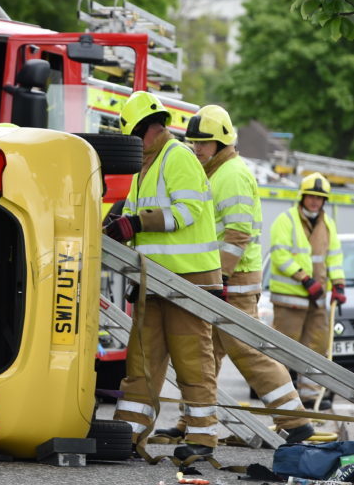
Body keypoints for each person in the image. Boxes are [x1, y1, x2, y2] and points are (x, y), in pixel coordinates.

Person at [154, 105, 313, 444]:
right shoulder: (214, 171)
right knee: (203, 356)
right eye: (193, 142)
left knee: (247, 350)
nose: (197, 149)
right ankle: (190, 421)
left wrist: (221, 279)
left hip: (234, 282)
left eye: (204, 143)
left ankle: (295, 420)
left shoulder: (232, 174)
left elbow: (238, 232)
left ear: (222, 142)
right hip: (222, 281)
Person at [104, 91, 221, 460]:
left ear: (149, 129)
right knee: (141, 360)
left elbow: (187, 212)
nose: (137, 143)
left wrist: (136, 222)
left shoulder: (178, 157)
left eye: (139, 135)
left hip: (187, 282)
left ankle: (202, 439)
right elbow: (140, 229)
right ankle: (130, 433)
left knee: (192, 362)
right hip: (155, 282)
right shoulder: (147, 165)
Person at [270, 172, 346, 409]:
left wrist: (339, 284)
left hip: (317, 300)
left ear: (325, 201)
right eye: (311, 196)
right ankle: (281, 397)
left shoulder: (328, 224)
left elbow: (334, 258)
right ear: (302, 197)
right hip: (290, 300)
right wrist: (304, 278)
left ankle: (311, 398)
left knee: (317, 347)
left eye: (319, 197)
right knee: (283, 350)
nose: (315, 201)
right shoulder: (286, 220)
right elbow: (280, 255)